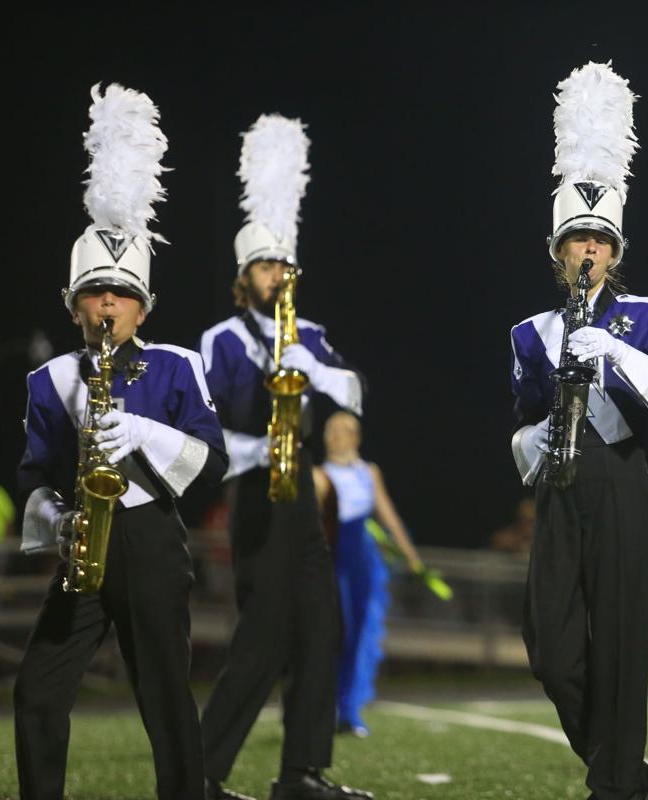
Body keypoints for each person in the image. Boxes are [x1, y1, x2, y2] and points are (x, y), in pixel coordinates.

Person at [13, 84, 227, 800]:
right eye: (95, 293)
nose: (108, 306)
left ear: (143, 305)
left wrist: (138, 431)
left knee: (164, 695)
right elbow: (34, 472)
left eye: (121, 294)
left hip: (151, 543)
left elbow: (211, 458)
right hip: (84, 544)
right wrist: (59, 518)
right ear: (75, 304)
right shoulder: (48, 379)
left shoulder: (176, 365)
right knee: (38, 689)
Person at [509, 62, 648, 800]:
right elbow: (519, 425)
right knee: (550, 652)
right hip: (558, 488)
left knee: (621, 650)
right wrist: (537, 441)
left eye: (600, 239)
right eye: (576, 238)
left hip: (623, 481)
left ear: (615, 252)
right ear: (557, 250)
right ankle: (621, 769)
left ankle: (617, 785)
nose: (588, 249)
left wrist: (615, 351)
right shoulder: (529, 332)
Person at [198, 115, 370, 800]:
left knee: (321, 630)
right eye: (265, 266)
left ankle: (301, 773)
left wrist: (311, 370)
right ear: (246, 276)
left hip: (300, 490)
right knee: (263, 640)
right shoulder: (224, 337)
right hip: (252, 483)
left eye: (283, 265)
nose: (277, 274)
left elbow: (352, 391)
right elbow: (223, 408)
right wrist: (271, 372)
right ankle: (199, 775)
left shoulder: (313, 333)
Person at [313, 411, 422, 738]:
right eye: (331, 428)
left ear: (356, 436)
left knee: (358, 633)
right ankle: (320, 707)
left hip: (362, 558)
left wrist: (411, 555)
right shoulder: (318, 474)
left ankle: (349, 710)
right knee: (332, 631)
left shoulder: (368, 472)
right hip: (331, 556)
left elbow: (386, 514)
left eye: (344, 429)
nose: (336, 434)